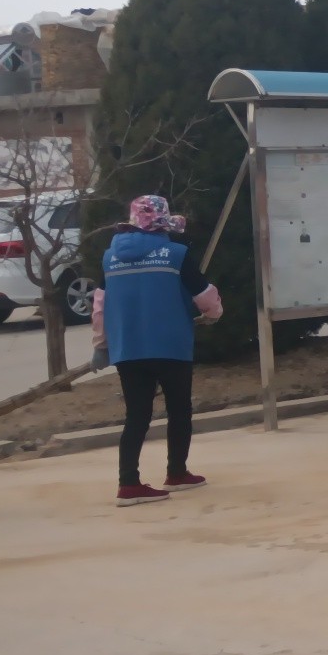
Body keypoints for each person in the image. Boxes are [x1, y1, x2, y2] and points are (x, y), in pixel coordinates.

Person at [93, 194, 222, 508]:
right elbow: (205, 296)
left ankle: (128, 484)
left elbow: (100, 305)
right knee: (179, 410)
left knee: (136, 415)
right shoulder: (175, 254)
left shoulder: (110, 258)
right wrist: (214, 313)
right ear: (164, 225)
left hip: (128, 348)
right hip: (170, 345)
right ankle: (176, 473)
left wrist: (101, 345)